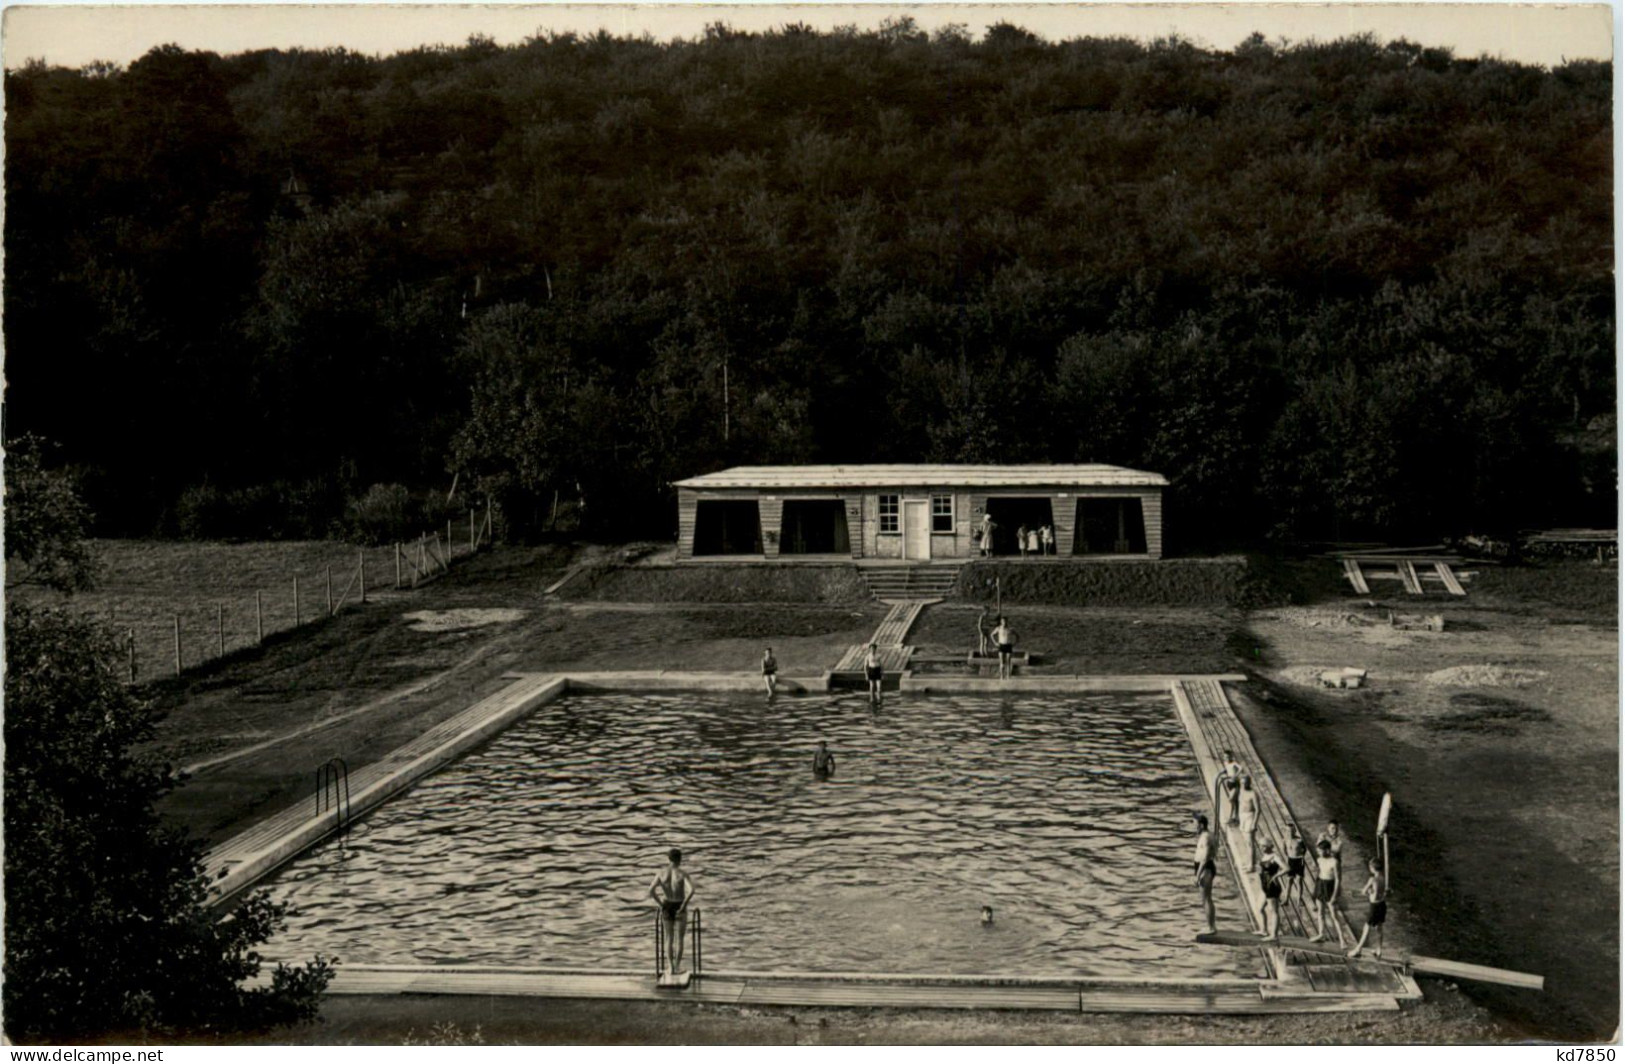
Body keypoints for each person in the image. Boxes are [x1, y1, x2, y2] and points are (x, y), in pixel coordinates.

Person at [649, 848, 697, 976]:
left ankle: (670, 968)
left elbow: (651, 890)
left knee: (668, 938)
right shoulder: (682, 874)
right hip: (679, 904)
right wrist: (684, 905)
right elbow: (691, 890)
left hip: (667, 904)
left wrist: (660, 905)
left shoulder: (661, 873)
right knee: (679, 939)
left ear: (668, 859)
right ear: (680, 860)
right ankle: (677, 967)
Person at [1347, 856, 1388, 959]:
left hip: (1374, 906)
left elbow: (1364, 891)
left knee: (1366, 928)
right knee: (1379, 928)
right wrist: (1371, 892)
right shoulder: (1383, 878)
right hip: (1382, 905)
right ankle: (1379, 950)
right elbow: (1381, 892)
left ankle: (1358, 949)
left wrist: (1366, 892)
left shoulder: (1372, 879)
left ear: (1372, 868)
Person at [1307, 839, 1344, 947]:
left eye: (1320, 850)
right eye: (1318, 851)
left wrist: (1334, 896)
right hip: (1320, 885)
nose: (1318, 853)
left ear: (1327, 850)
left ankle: (1342, 940)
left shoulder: (1334, 862)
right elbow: (1319, 873)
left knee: (1334, 915)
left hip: (1330, 886)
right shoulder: (1319, 860)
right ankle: (1321, 934)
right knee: (1320, 912)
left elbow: (1338, 880)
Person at [1192, 812, 1217, 934]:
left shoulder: (1206, 837)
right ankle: (1210, 925)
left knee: (1206, 899)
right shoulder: (1207, 835)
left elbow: (1205, 857)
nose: (1193, 826)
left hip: (1205, 868)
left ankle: (1211, 927)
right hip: (1205, 867)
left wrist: (1197, 875)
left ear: (1201, 825)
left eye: (1195, 824)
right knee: (1206, 899)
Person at [1256, 839, 1285, 940]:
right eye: (1261, 845)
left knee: (1274, 911)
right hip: (1265, 885)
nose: (1261, 847)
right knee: (1259, 908)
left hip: (1272, 886)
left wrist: (1276, 876)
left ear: (1269, 846)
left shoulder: (1274, 857)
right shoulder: (1264, 856)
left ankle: (1274, 935)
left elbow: (1287, 868)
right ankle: (1264, 930)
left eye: (1264, 846)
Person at [1317, 821, 1345, 899]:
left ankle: (1335, 897)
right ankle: (1319, 897)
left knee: (1336, 879)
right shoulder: (1322, 835)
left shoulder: (1339, 839)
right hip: (1324, 860)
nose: (1334, 830)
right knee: (1320, 877)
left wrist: (1325, 845)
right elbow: (1318, 847)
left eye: (1336, 828)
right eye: (1332, 828)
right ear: (1328, 828)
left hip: (1335, 861)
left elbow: (1336, 849)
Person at [1284, 826, 1309, 908]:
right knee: (1289, 880)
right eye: (1288, 831)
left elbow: (1304, 849)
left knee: (1299, 881)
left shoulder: (1299, 840)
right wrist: (1289, 856)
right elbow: (1284, 849)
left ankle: (1299, 899)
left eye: (1291, 831)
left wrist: (1301, 856)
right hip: (1291, 861)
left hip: (1298, 861)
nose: (1290, 833)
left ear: (1294, 831)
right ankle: (1286, 899)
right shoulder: (1285, 840)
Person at [1239, 777, 1260, 870]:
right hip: (1242, 816)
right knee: (1246, 842)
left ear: (1249, 783)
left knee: (1250, 842)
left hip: (1249, 817)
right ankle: (1250, 862)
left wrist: (1254, 823)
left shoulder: (1253, 794)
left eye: (1245, 783)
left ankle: (1252, 865)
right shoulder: (1241, 791)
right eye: (1242, 783)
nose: (1243, 785)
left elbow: (1258, 810)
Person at [1219, 752, 1243, 827]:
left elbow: (1241, 768)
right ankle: (1235, 818)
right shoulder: (1225, 763)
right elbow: (1226, 770)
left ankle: (1232, 817)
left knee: (1231, 799)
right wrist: (1222, 773)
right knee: (1235, 801)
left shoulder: (1234, 763)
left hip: (1235, 783)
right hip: (1229, 783)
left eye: (1228, 757)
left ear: (1231, 757)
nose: (1226, 758)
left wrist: (1235, 775)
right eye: (1225, 757)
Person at [991, 615, 1015, 679]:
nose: (1004, 622)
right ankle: (1001, 676)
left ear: (1007, 621)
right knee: (1002, 662)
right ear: (1001, 622)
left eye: (1005, 621)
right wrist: (995, 643)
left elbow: (1017, 636)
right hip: (1001, 645)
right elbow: (992, 635)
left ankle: (1008, 675)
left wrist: (1014, 643)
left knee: (1008, 661)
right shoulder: (998, 628)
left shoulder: (1010, 629)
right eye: (1003, 621)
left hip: (1008, 645)